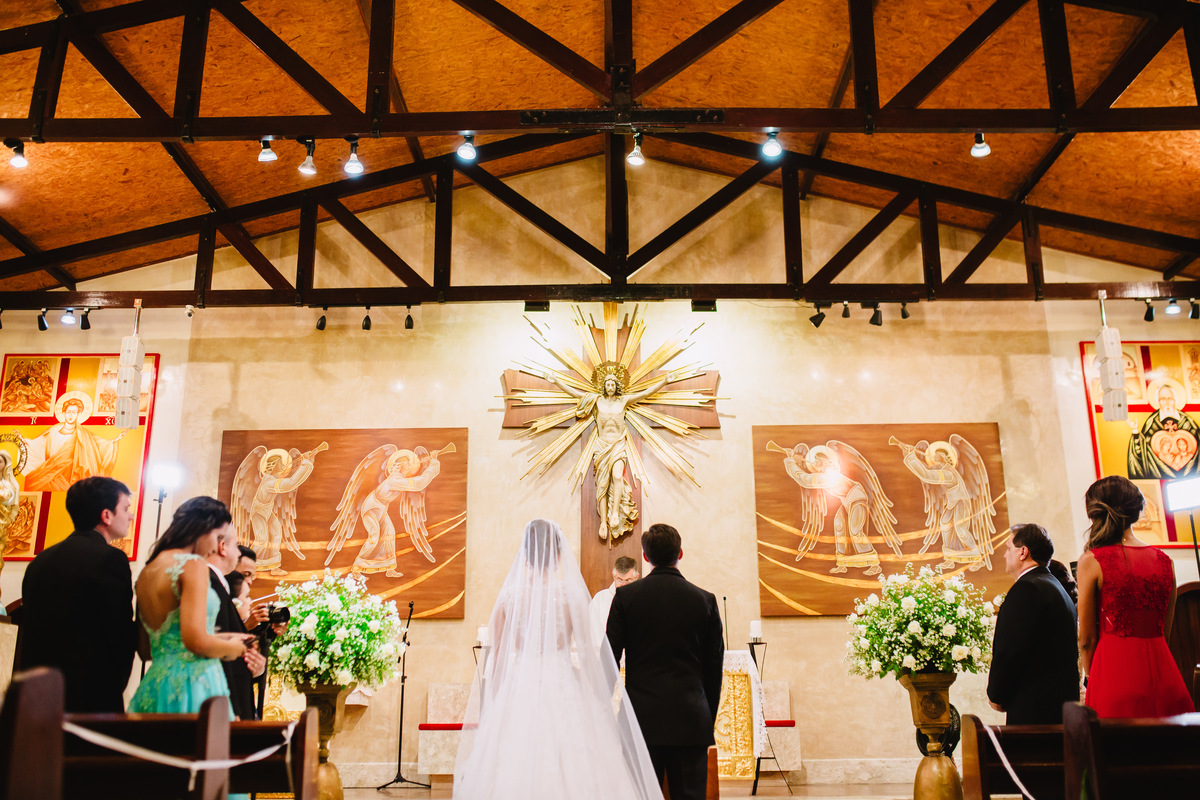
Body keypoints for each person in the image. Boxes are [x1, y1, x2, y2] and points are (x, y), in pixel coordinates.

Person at [453, 519, 661, 800]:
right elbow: (587, 654)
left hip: (520, 688)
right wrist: (597, 700)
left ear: (525, 554)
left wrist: (495, 703)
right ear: (560, 554)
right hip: (564, 684)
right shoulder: (572, 596)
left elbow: (498, 659)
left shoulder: (508, 598)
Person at [608, 523, 724, 800]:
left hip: (641, 719)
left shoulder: (625, 598)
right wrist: (705, 715)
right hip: (691, 718)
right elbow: (714, 669)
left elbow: (608, 658)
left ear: (645, 557)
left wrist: (606, 713)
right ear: (680, 553)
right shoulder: (704, 600)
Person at [1077, 476, 1195, 717]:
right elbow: (1165, 631)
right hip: (1165, 676)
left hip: (1114, 676)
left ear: (1094, 514)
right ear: (1137, 510)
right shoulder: (1165, 561)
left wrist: (1091, 677)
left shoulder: (1092, 561)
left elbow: (1087, 638)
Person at [19, 476, 137, 711]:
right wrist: (115, 686)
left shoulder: (41, 560)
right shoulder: (111, 559)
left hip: (39, 694)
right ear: (106, 515)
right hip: (90, 694)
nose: (131, 516)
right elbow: (119, 633)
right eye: (126, 509)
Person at [129, 496, 252, 715]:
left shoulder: (147, 571)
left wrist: (224, 637)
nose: (215, 547)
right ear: (203, 529)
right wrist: (235, 648)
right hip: (193, 684)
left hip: (156, 683)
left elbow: (146, 648)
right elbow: (196, 642)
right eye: (217, 537)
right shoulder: (192, 565)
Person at [544, 365, 669, 544]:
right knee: (602, 484)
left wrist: (664, 381)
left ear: (616, 386)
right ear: (604, 386)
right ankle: (603, 522)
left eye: (612, 384)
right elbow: (575, 394)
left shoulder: (623, 401)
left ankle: (615, 513)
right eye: (607, 384)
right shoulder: (596, 401)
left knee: (617, 476)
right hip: (602, 446)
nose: (610, 387)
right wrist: (556, 381)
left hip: (618, 444)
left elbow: (646, 394)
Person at [986, 524, 1080, 724]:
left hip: (1034, 707)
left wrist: (996, 694)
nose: (1005, 555)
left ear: (1023, 552)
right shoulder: (1055, 586)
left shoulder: (1027, 589)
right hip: (1059, 705)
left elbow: (1010, 650)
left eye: (1008, 549)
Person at [206, 523, 265, 720]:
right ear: (222, 546)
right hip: (224, 700)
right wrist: (234, 712)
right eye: (235, 545)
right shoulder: (212, 585)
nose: (238, 552)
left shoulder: (214, 584)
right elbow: (216, 650)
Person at [16, 394, 127, 492]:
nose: (71, 415)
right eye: (68, 412)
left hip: (74, 476)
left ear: (79, 414)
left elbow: (97, 444)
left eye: (74, 412)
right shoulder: (54, 431)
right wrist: (23, 440)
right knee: (34, 483)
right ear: (64, 413)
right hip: (51, 473)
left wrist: (113, 441)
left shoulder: (83, 434)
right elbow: (39, 444)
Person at [588, 555, 639, 646]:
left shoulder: (642, 599)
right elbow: (592, 631)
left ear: (636, 577)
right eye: (620, 580)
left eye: (628, 580)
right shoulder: (600, 599)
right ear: (613, 576)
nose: (623, 585)